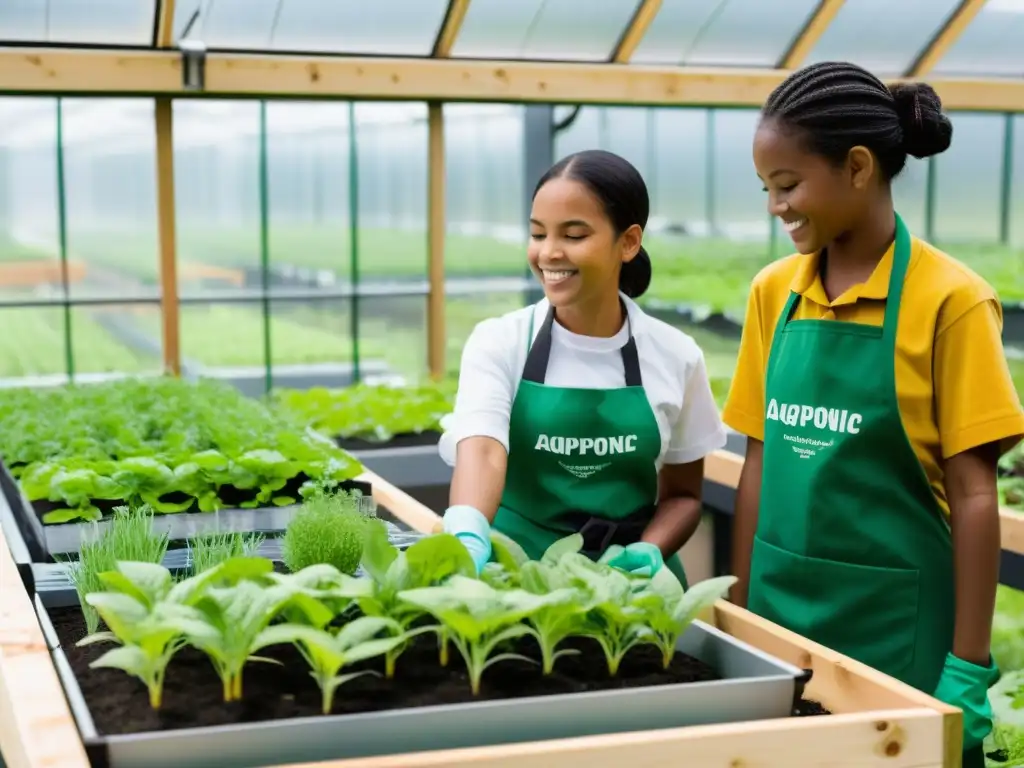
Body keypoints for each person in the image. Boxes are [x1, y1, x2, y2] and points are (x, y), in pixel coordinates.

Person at [723, 61, 1024, 764]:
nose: (776, 206)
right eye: (767, 189)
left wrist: (968, 664)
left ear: (857, 167)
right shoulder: (774, 293)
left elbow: (977, 494)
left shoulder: (951, 301)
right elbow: (759, 462)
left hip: (898, 637)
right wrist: (739, 614)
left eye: (789, 185)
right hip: (779, 620)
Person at [437, 149, 728, 588]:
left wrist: (651, 549)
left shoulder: (675, 355)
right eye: (538, 234)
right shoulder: (500, 342)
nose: (549, 253)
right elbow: (482, 451)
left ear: (628, 242)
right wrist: (467, 530)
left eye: (574, 235)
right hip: (517, 577)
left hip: (627, 587)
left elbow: (684, 495)